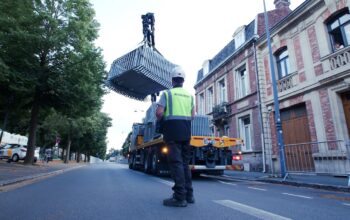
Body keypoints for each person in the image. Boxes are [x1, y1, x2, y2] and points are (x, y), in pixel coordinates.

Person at [156, 66, 195, 207]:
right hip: (186, 132)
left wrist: (160, 119)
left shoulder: (167, 94)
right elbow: (192, 116)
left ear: (172, 80)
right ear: (183, 80)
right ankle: (189, 195)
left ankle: (179, 197)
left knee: (176, 164)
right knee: (185, 164)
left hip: (172, 133)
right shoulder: (190, 96)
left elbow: (159, 113)